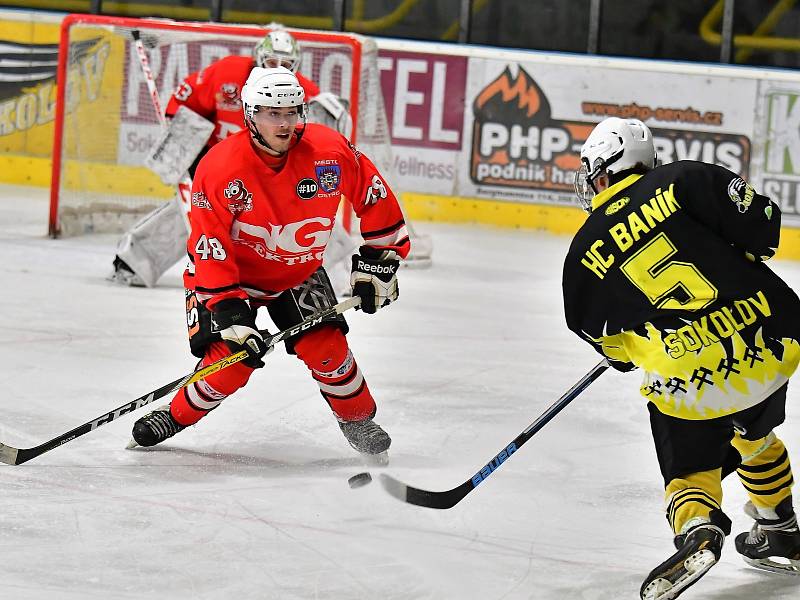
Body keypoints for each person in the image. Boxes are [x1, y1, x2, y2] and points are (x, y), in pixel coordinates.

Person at [563, 117, 800, 599]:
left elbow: (602, 340)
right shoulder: (688, 178)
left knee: (688, 460)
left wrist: (632, 350)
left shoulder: (583, 250)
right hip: (772, 341)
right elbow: (766, 230)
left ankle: (699, 528)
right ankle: (783, 530)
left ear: (604, 173)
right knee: (751, 430)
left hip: (693, 377)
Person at [129, 66, 410, 461]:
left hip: (297, 273)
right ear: (250, 115)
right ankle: (175, 415)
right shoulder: (220, 167)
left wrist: (381, 263)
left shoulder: (330, 153)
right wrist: (229, 311)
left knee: (327, 348)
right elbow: (209, 246)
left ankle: (358, 420)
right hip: (231, 280)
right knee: (230, 366)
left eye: (291, 112)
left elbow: (375, 198)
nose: (284, 123)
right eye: (272, 114)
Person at [110, 28, 325, 287]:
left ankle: (333, 270)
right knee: (199, 210)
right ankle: (135, 260)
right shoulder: (228, 73)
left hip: (271, 172)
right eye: (271, 62)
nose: (276, 68)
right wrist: (181, 142)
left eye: (286, 64)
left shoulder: (304, 93)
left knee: (298, 217)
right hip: (217, 163)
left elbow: (318, 141)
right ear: (258, 58)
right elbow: (185, 101)